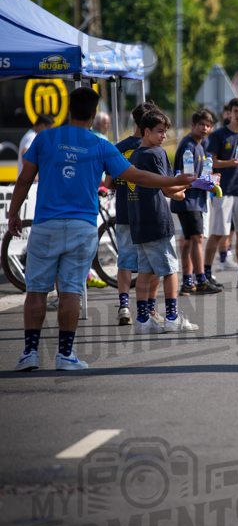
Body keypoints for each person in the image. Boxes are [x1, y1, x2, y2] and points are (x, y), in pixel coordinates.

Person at [8, 87, 196, 371]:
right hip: (82, 226)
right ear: (95, 114)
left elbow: (23, 180)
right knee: (71, 292)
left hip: (45, 224)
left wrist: (14, 214)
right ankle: (64, 354)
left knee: (36, 291)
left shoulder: (45, 138)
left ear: (68, 109)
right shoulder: (101, 145)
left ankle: (29, 353)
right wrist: (177, 181)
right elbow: (138, 177)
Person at [128, 109, 212, 334]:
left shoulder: (135, 155)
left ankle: (143, 321)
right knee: (171, 270)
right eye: (159, 131)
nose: (164, 136)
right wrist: (192, 184)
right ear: (147, 131)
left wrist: (182, 188)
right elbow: (167, 188)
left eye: (165, 131)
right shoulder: (155, 154)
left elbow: (166, 189)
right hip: (157, 219)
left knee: (145, 272)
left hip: (138, 220)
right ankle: (173, 318)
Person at [103, 101, 162, 326]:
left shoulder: (118, 147)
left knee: (125, 261)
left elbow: (109, 182)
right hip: (149, 215)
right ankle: (150, 310)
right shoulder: (154, 149)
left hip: (126, 212)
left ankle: (124, 306)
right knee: (154, 263)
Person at [203, 97, 238, 289]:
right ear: (230, 113)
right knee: (218, 234)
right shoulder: (219, 135)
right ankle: (206, 274)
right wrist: (229, 163)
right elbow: (210, 163)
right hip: (223, 192)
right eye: (235, 111)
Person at [171, 108, 221, 296]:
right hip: (188, 200)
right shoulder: (189, 146)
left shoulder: (199, 145)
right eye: (201, 124)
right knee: (197, 239)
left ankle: (188, 282)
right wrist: (207, 185)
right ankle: (200, 281)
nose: (205, 128)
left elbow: (198, 175)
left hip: (194, 200)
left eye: (208, 125)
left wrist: (211, 178)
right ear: (193, 125)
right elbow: (187, 178)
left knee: (190, 241)